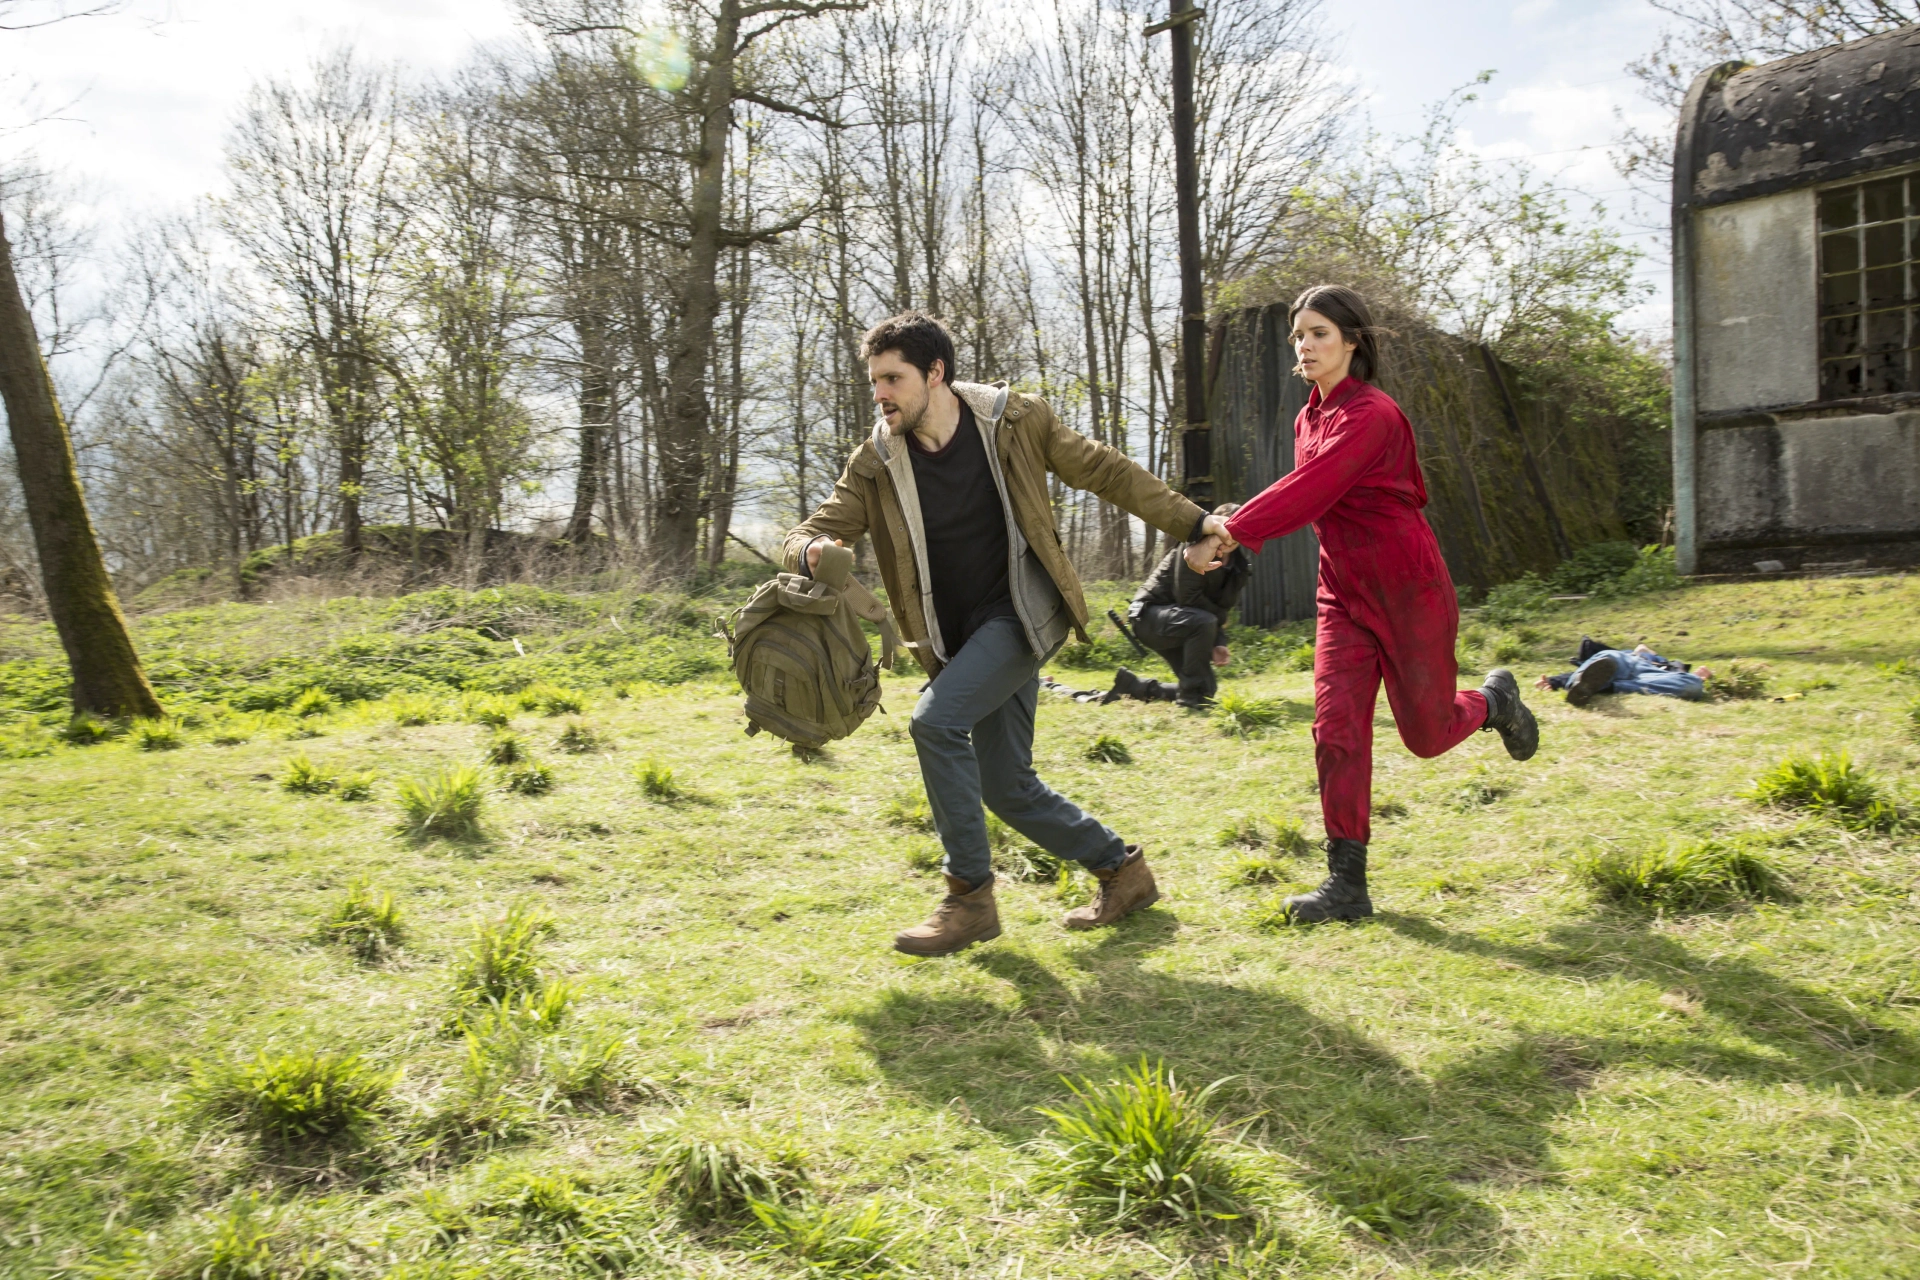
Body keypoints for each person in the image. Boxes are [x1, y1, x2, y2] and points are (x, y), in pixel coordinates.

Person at [784, 312, 1234, 956]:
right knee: (1004, 783)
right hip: (954, 637)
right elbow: (811, 529)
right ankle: (1121, 871)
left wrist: (1193, 523)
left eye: (893, 378)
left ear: (934, 374)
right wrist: (810, 552)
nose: (879, 393)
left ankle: (968, 898)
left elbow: (1104, 470)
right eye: (874, 380)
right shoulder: (876, 461)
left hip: (1021, 614)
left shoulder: (1013, 420)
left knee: (934, 724)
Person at [1189, 284, 1540, 923]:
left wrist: (1230, 529)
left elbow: (1313, 486)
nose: (1306, 345)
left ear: (1353, 341)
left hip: (1408, 590)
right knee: (1336, 730)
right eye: (1298, 335)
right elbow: (1307, 493)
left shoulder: (1374, 414)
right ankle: (1346, 883)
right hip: (1342, 596)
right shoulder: (1307, 419)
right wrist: (1234, 523)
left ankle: (1494, 703)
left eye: (1319, 332)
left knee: (1427, 735)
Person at [1107, 503, 1252, 710]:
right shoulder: (1193, 549)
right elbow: (1188, 598)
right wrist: (1219, 621)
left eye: (1236, 529)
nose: (1229, 536)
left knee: (1206, 690)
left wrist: (1219, 642)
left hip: (1186, 621)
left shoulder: (1239, 568)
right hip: (1149, 616)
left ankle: (1133, 686)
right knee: (1203, 625)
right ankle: (1190, 700)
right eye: (1225, 528)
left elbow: (1220, 608)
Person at [1541, 639, 1711, 705]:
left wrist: (1700, 677)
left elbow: (1689, 680)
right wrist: (1553, 681)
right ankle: (1577, 687)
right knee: (1608, 659)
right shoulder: (1632, 654)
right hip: (1626, 661)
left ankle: (1604, 687)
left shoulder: (1673, 667)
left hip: (1652, 676)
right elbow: (1595, 667)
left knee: (1694, 685)